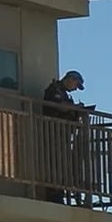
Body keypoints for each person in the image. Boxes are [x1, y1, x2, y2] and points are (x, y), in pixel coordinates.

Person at [41, 71, 88, 205]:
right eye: (76, 85)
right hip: (53, 132)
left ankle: (60, 192)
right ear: (70, 79)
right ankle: (54, 193)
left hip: (63, 134)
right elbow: (60, 106)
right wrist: (75, 107)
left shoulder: (65, 94)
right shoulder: (55, 89)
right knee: (55, 162)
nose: (75, 88)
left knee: (62, 164)